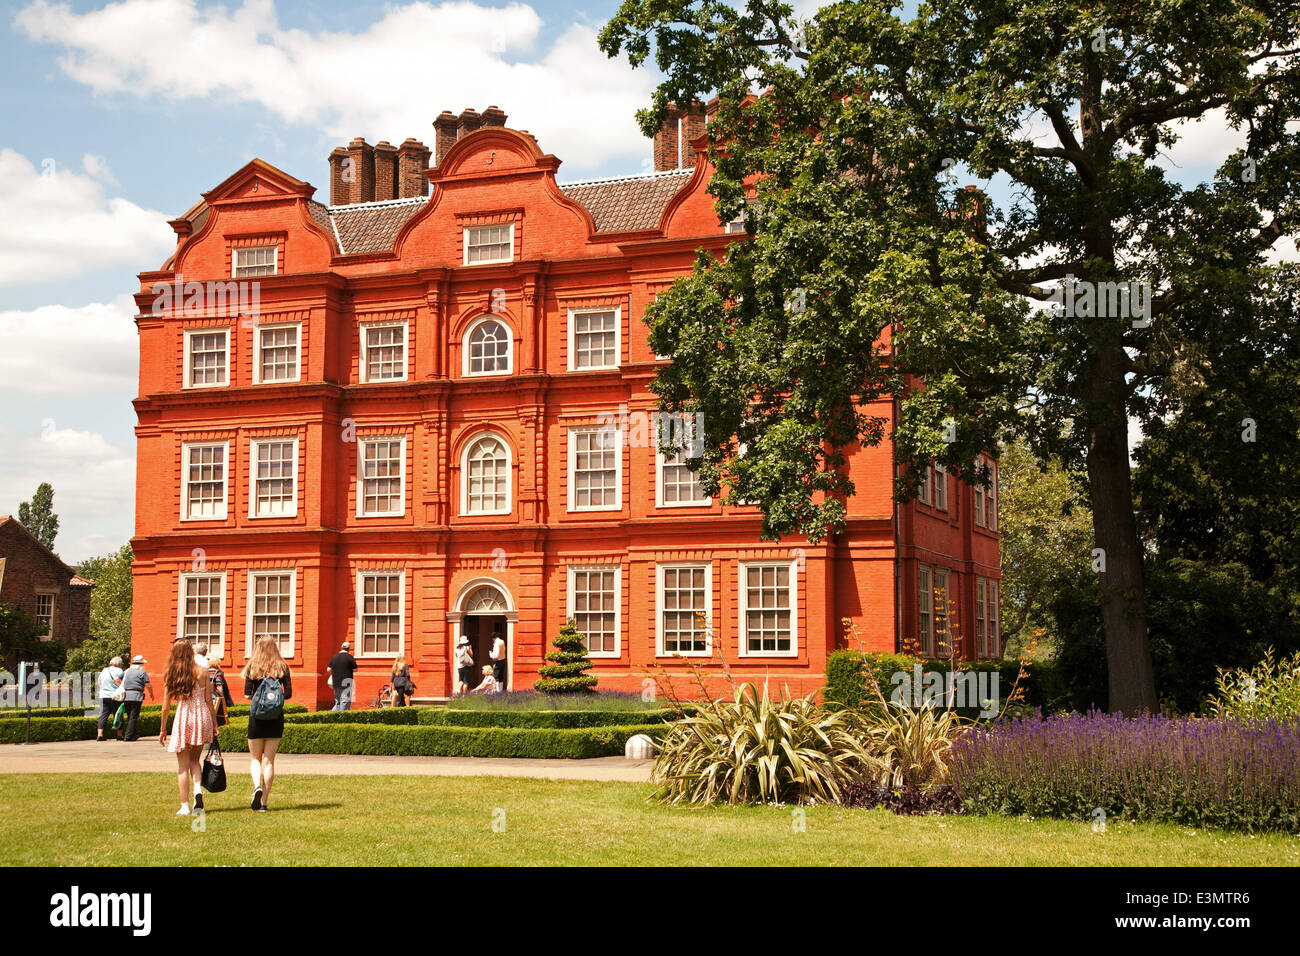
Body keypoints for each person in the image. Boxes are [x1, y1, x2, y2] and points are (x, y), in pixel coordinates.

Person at [158, 639, 217, 816]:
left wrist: (162, 729)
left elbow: (165, 706)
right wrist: (214, 723)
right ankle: (197, 790)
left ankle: (184, 805)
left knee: (182, 766)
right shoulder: (203, 671)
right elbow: (208, 700)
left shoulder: (171, 673)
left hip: (184, 716)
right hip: (201, 715)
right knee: (194, 761)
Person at [243, 636, 292, 812]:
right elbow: (288, 694)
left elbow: (247, 695)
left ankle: (256, 785)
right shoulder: (282, 667)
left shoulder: (252, 666)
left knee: (255, 758)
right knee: (269, 760)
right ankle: (264, 802)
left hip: (256, 718)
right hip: (276, 718)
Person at [120, 655, 155, 741]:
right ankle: (128, 736)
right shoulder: (142, 672)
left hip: (126, 696)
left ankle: (134, 735)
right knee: (134, 717)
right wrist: (151, 694)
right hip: (136, 696)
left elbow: (119, 679)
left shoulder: (126, 671)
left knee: (130, 716)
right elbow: (148, 685)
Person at [202, 645, 235, 726]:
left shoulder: (205, 670)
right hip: (214, 695)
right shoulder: (218, 672)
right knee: (215, 713)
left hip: (205, 694)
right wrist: (223, 696)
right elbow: (219, 685)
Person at [95, 656, 124, 742]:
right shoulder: (119, 670)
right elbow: (117, 680)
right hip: (114, 696)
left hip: (103, 696)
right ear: (119, 664)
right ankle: (119, 735)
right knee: (118, 715)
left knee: (103, 716)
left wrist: (102, 690)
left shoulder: (104, 670)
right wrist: (123, 688)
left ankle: (100, 734)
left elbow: (99, 682)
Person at [326, 641, 357, 711]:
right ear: (349, 649)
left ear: (341, 648)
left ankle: (333, 717)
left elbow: (328, 669)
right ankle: (342, 718)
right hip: (347, 681)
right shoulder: (350, 657)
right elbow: (355, 669)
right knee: (345, 701)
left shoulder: (334, 657)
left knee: (338, 702)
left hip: (336, 681)